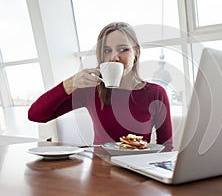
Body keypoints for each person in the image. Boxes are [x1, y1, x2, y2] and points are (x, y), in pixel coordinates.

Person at [28, 22, 173, 151]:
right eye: (107, 51)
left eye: (123, 49)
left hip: (139, 172)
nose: (114, 57)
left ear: (136, 53)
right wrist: (70, 83)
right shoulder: (91, 90)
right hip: (100, 171)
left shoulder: (156, 93)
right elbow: (36, 115)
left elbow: (166, 147)